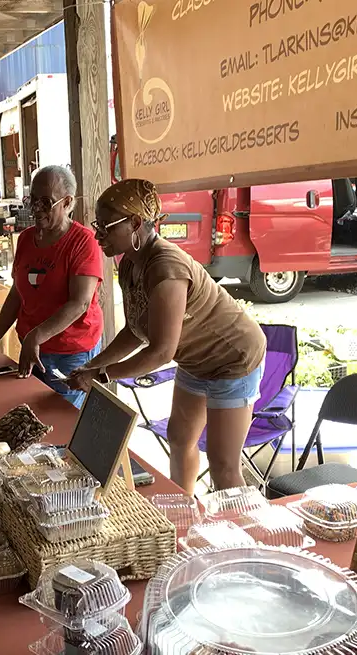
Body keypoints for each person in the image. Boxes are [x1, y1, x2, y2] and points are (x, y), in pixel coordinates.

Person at [66, 179, 266, 495]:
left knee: (223, 466)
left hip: (233, 359)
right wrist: (94, 366)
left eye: (106, 227)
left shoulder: (166, 268)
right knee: (179, 438)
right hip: (196, 360)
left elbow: (160, 352)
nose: (97, 234)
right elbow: (136, 329)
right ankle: (184, 511)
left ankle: (246, 536)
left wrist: (101, 375)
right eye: (97, 225)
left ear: (134, 223)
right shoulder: (131, 263)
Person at [0, 165, 104, 408]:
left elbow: (80, 303)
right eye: (32, 200)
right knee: (32, 416)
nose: (36, 209)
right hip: (32, 347)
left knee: (60, 420)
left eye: (46, 202)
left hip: (70, 352)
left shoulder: (83, 241)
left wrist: (37, 335)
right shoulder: (26, 239)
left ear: (67, 203)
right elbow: (17, 294)